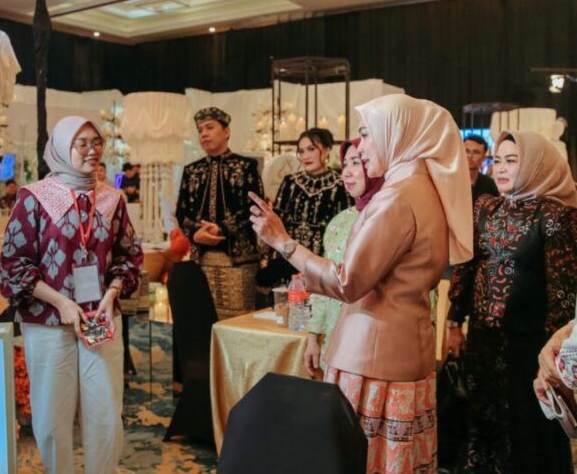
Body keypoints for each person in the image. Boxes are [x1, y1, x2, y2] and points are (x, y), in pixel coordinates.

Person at [250, 94, 472, 473]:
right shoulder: (426, 189)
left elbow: (348, 281)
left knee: (361, 459)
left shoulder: (395, 199)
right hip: (409, 348)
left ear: (395, 134)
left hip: (372, 355)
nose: (361, 148)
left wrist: (283, 242)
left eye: (367, 135)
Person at [0, 116, 142, 474]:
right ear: (63, 147)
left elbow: (128, 255)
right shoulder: (34, 198)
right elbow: (13, 264)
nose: (93, 150)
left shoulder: (111, 198)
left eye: (97, 142)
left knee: (106, 413)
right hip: (48, 321)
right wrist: (60, 302)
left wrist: (111, 294)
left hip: (99, 318)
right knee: (51, 416)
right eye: (83, 143)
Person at [446, 131, 577, 473]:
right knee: (480, 424)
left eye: (512, 161)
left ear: (535, 165)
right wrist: (454, 322)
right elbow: (466, 267)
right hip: (481, 343)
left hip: (529, 349)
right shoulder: (485, 207)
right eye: (498, 160)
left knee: (525, 432)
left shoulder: (554, 216)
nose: (501, 168)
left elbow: (563, 293)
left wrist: (554, 357)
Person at [176, 106, 264, 319]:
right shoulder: (192, 170)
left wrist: (221, 228)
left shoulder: (245, 166)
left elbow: (255, 208)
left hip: (239, 259)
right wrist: (195, 233)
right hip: (201, 259)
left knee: (239, 321)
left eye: (209, 128)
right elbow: (181, 212)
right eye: (200, 130)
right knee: (204, 319)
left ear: (226, 131)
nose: (203, 134)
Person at [304, 138, 383, 376]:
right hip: (334, 337)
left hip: (374, 340)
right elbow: (323, 284)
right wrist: (313, 336)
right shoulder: (339, 222)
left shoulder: (389, 218)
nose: (346, 172)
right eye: (345, 164)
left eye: (356, 163)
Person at [258, 128, 351, 288]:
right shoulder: (290, 182)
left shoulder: (341, 185)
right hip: (287, 260)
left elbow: (344, 229)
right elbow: (276, 220)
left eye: (311, 149)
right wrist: (266, 256)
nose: (305, 156)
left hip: (321, 263)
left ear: (327, 149)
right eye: (301, 151)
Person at [464, 134, 499, 202]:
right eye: (466, 151)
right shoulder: (450, 181)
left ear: (484, 157)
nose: (470, 155)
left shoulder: (490, 185)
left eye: (476, 152)